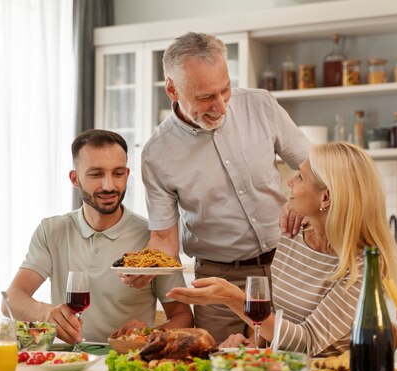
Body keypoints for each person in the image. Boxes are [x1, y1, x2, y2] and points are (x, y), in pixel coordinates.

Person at [124, 32, 311, 343]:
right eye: (205, 97)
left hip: (287, 264)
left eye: (225, 90)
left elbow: (315, 168)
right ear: (172, 89)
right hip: (217, 280)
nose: (221, 106)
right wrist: (146, 267)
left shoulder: (260, 105)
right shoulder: (157, 154)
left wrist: (297, 201)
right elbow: (164, 239)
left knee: (292, 359)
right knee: (219, 368)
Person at [167, 142, 397, 357]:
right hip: (282, 369)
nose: (290, 182)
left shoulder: (363, 266)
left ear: (326, 197)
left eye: (300, 177)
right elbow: (279, 315)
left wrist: (234, 299)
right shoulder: (294, 234)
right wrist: (255, 342)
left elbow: (307, 342)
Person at [3, 129, 193, 343]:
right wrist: (46, 313)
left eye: (118, 173)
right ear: (75, 179)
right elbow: (11, 299)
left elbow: (183, 316)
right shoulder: (52, 230)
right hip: (68, 361)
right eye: (96, 174)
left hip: (127, 362)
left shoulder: (154, 239)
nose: (109, 185)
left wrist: (150, 334)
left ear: (127, 175)